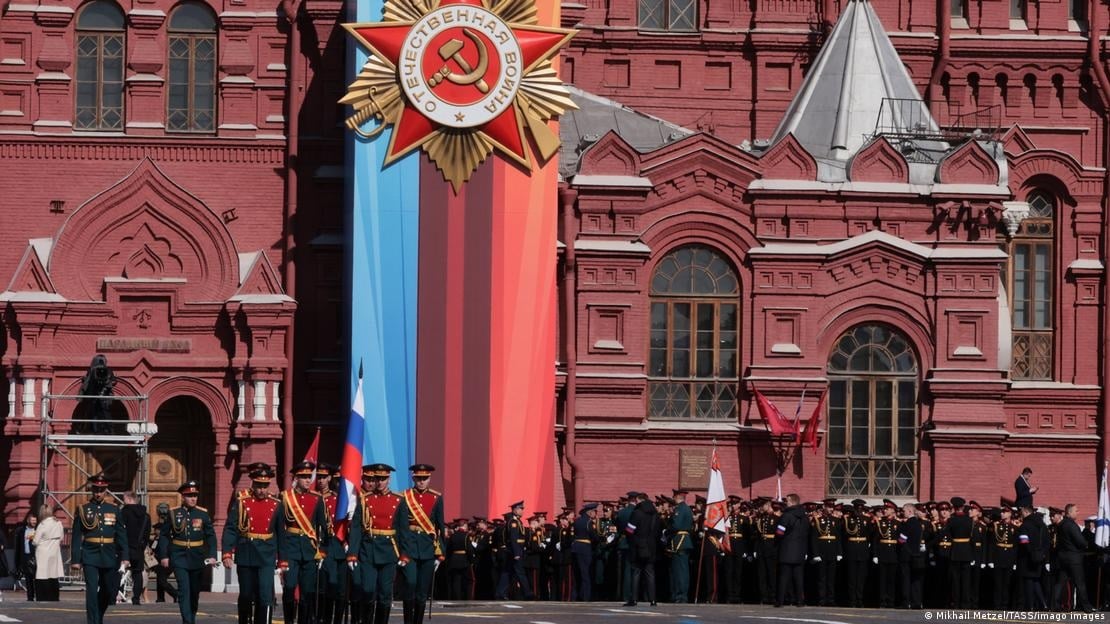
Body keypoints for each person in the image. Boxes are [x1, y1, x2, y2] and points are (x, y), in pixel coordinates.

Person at [222, 464, 282, 624]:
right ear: (253, 485)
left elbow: (281, 534)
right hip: (246, 553)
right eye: (258, 486)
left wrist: (283, 559)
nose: (261, 490)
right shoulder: (242, 502)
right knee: (246, 594)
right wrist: (227, 552)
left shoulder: (276, 504)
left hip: (267, 556)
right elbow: (230, 528)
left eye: (264, 486)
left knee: (265, 595)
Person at [347, 463, 403, 624]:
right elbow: (356, 528)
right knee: (368, 590)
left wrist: (404, 553)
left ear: (388, 480)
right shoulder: (365, 500)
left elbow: (403, 530)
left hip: (389, 551)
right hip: (368, 551)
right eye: (377, 478)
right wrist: (352, 553)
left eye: (383, 479)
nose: (379, 482)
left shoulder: (398, 500)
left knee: (385, 594)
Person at [71, 473, 129, 624]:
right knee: (91, 589)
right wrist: (76, 559)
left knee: (108, 589)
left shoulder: (114, 509)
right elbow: (76, 536)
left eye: (101, 490)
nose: (98, 493)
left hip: (109, 553)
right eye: (96, 490)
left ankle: (99, 615)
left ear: (106, 490)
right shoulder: (83, 509)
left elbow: (122, 534)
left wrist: (125, 556)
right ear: (92, 490)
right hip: (90, 553)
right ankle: (92, 621)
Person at [158, 480, 218, 624]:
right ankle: (187, 621)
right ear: (183, 497)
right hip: (179, 556)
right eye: (189, 495)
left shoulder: (203, 514)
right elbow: (164, 535)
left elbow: (211, 536)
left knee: (194, 593)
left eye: (195, 495)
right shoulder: (173, 513)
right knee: (184, 590)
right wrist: (164, 555)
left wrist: (212, 555)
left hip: (197, 557)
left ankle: (191, 616)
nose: (193, 498)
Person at [278, 460, 329, 624]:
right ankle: (289, 620)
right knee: (290, 588)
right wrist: (281, 554)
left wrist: (323, 550)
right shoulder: (285, 497)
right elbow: (280, 527)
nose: (308, 480)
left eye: (309, 477)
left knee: (307, 592)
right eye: (304, 477)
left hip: (309, 550)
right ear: (296, 478)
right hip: (290, 548)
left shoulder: (317, 499)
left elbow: (325, 527)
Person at [396, 463, 445, 624]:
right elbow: (400, 525)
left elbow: (439, 526)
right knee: (410, 584)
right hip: (409, 547)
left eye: (424, 478)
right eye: (419, 478)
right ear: (413, 478)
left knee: (422, 592)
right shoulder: (405, 497)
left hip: (427, 548)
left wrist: (440, 553)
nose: (421, 482)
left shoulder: (436, 498)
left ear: (429, 479)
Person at [1056, 503, 1095, 612]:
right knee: (1080, 583)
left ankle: (1055, 604)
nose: (1078, 512)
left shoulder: (1061, 524)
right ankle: (1086, 607)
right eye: (1076, 511)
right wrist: (1086, 544)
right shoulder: (1072, 525)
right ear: (1069, 512)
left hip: (1063, 558)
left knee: (1060, 582)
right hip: (1074, 559)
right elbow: (1080, 541)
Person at [624, 492, 659, 607]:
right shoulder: (655, 513)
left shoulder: (637, 513)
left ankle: (633, 599)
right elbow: (658, 531)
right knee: (650, 573)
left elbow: (629, 530)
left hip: (638, 546)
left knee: (636, 572)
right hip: (651, 546)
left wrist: (633, 540)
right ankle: (653, 600)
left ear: (639, 500)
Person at [495, 500, 534, 600]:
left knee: (507, 572)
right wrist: (517, 553)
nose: (522, 511)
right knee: (520, 572)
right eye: (521, 509)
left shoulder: (517, 521)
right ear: (515, 510)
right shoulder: (513, 522)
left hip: (516, 549)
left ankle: (500, 592)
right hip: (515, 551)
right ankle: (528, 593)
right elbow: (513, 538)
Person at [774, 493, 808, 608]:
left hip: (787, 550)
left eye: (787, 501)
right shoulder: (804, 516)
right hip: (800, 551)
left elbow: (779, 532)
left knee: (783, 577)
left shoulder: (786, 516)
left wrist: (779, 539)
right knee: (798, 578)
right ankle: (800, 601)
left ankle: (780, 601)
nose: (786, 503)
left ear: (793, 502)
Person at [120, 492, 151, 605]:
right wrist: (141, 546)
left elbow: (120, 530)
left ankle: (114, 595)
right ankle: (136, 598)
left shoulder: (124, 512)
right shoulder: (146, 515)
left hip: (125, 547)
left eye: (124, 499)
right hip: (138, 548)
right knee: (138, 573)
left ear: (129, 499)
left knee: (119, 571)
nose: (123, 501)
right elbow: (147, 534)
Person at [1016, 506, 1048, 610]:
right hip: (1039, 556)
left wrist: (1030, 553)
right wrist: (1042, 553)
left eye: (1022, 512)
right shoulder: (1042, 525)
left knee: (1028, 581)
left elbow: (1023, 542)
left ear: (1025, 512)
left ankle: (1030, 606)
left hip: (1027, 557)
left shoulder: (1025, 525)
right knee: (1035, 580)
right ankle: (1043, 604)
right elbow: (1047, 542)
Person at [31, 504, 63, 601]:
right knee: (53, 574)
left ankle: (42, 596)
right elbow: (61, 537)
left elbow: (36, 541)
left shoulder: (42, 524)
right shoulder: (58, 523)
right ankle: (54, 596)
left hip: (43, 552)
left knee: (42, 574)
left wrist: (32, 539)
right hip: (54, 551)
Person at [669, 489, 694, 603]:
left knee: (680, 570)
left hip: (680, 540)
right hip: (683, 540)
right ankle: (679, 594)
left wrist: (669, 526)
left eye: (674, 496)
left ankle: (681, 595)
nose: (673, 498)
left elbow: (676, 525)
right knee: (681, 570)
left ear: (678, 496)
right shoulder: (686, 508)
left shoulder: (680, 509)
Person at [152, 503, 179, 604]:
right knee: (160, 578)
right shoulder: (160, 526)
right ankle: (160, 597)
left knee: (162, 579)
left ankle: (175, 594)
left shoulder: (170, 524)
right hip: (159, 556)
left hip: (168, 556)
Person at [13, 511, 37, 601]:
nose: (34, 522)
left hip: (35, 557)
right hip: (25, 557)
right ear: (28, 520)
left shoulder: (38, 530)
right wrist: (17, 561)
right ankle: (30, 597)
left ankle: (37, 595)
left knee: (36, 578)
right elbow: (18, 546)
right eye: (32, 520)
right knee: (28, 578)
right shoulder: (21, 531)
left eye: (35, 521)